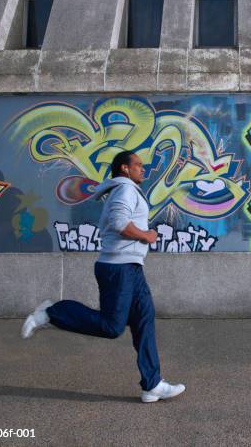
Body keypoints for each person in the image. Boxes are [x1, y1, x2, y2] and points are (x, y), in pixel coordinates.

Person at [21, 150, 185, 403]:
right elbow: (120, 222)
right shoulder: (126, 190)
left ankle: (152, 384)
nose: (144, 169)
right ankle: (51, 312)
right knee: (111, 327)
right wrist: (147, 235)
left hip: (131, 267)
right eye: (138, 165)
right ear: (124, 169)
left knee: (144, 319)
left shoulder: (125, 189)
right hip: (118, 268)